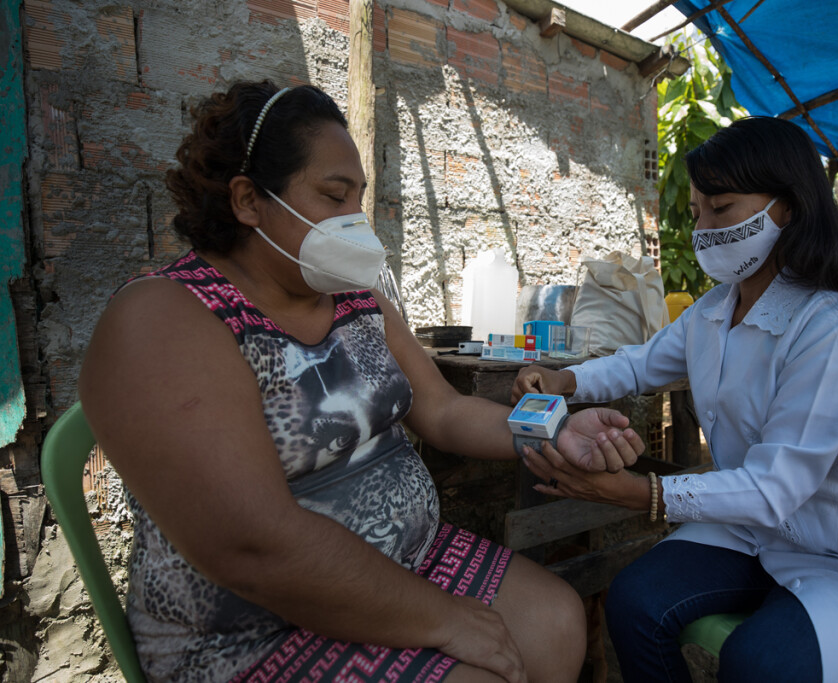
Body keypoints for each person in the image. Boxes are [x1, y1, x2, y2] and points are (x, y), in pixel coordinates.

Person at [78, 80, 647, 683]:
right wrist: (442, 618)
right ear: (248, 200)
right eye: (334, 196)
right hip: (251, 626)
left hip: (407, 557)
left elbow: (444, 412)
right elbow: (250, 545)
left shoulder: (354, 299)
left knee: (555, 621)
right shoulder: (165, 319)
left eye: (359, 198)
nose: (355, 220)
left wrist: (554, 430)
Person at [512, 117, 838, 683]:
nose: (703, 229)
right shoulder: (714, 310)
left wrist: (638, 493)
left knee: (759, 661)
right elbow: (640, 363)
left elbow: (775, 486)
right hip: (751, 530)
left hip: (837, 551)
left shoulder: (829, 326)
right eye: (698, 212)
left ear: (788, 207)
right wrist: (563, 381)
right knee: (634, 600)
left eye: (721, 209)